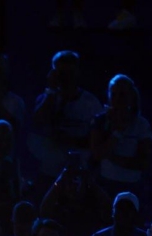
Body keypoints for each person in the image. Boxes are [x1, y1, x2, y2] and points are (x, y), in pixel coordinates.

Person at [28, 51, 102, 182]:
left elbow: (96, 142)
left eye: (70, 73)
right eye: (61, 73)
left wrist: (68, 140)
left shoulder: (91, 103)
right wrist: (51, 91)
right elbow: (36, 124)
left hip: (79, 171)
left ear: (77, 73)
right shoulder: (46, 99)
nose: (65, 79)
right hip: (49, 172)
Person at [88, 74, 152, 192]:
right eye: (114, 94)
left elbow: (143, 162)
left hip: (132, 186)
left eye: (122, 94)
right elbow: (97, 155)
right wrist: (117, 132)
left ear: (131, 96)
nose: (117, 99)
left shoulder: (141, 124)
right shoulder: (100, 120)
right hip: (104, 183)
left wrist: (111, 157)